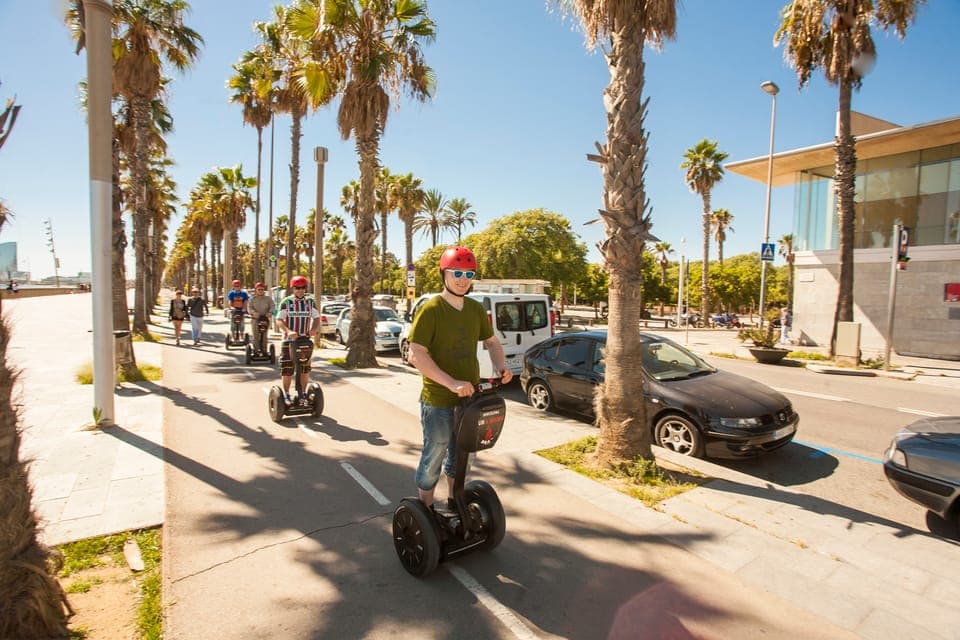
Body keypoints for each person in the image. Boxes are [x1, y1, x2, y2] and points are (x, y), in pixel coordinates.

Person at [407, 246, 512, 512]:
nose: (463, 279)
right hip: (438, 400)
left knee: (462, 456)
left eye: (469, 273)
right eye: (457, 273)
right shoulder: (432, 309)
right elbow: (415, 354)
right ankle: (426, 510)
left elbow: (492, 342)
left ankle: (455, 503)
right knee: (436, 453)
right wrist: (451, 383)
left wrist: (502, 367)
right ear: (444, 273)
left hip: (470, 399)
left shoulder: (475, 309)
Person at [275, 275, 320, 405]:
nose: (300, 290)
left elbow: (317, 318)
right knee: (288, 369)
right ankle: (287, 394)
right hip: (289, 341)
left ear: (305, 288)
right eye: (297, 288)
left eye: (302, 288)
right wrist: (289, 331)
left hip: (305, 340)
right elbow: (279, 320)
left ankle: (303, 394)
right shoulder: (286, 302)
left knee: (305, 369)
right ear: (292, 288)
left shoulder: (310, 302)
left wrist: (313, 329)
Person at [247, 281, 275, 350]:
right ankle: (256, 350)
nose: (260, 291)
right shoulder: (252, 299)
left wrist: (270, 312)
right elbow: (249, 307)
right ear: (256, 290)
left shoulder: (268, 299)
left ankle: (264, 350)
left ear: (264, 290)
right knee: (256, 335)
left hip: (265, 318)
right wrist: (253, 313)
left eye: (262, 289)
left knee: (264, 335)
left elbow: (272, 306)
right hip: (255, 319)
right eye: (258, 289)